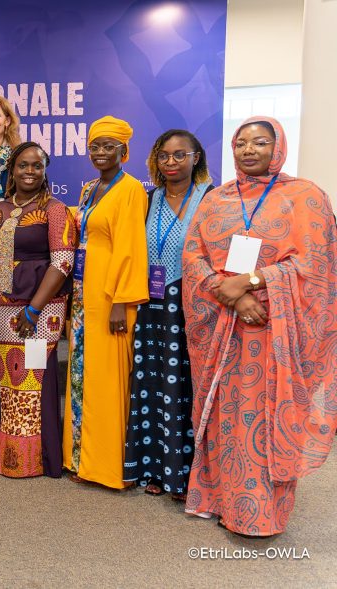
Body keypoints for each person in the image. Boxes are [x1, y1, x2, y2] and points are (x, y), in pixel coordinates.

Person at [183, 116, 337, 537]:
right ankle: (218, 499)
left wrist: (254, 281)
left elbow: (317, 262)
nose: (249, 150)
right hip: (222, 326)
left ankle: (259, 513)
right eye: (241, 143)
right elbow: (193, 255)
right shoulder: (216, 200)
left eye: (260, 142)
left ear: (278, 147)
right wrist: (226, 291)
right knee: (222, 415)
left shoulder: (304, 197)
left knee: (265, 417)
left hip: (275, 329)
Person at [123, 130, 213, 499]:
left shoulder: (211, 199)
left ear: (196, 158)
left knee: (186, 387)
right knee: (151, 388)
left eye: (180, 155)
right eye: (164, 156)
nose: (172, 162)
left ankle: (188, 476)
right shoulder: (148, 200)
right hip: (151, 306)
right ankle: (154, 470)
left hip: (194, 306)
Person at [62, 116, 149, 489]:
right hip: (84, 295)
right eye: (95, 145)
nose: (100, 152)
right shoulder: (88, 189)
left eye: (108, 146)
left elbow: (131, 247)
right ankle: (79, 458)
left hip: (111, 297)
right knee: (82, 373)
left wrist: (121, 301)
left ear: (124, 151)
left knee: (106, 379)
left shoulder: (131, 190)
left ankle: (107, 465)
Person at [0, 142, 75, 479]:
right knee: (8, 377)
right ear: (12, 169)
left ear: (45, 170)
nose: (30, 171)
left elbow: (63, 263)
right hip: (3, 310)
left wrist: (34, 310)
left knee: (35, 376)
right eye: (23, 165)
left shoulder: (54, 210)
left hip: (40, 311)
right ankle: (6, 453)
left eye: (37, 166)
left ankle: (39, 457)